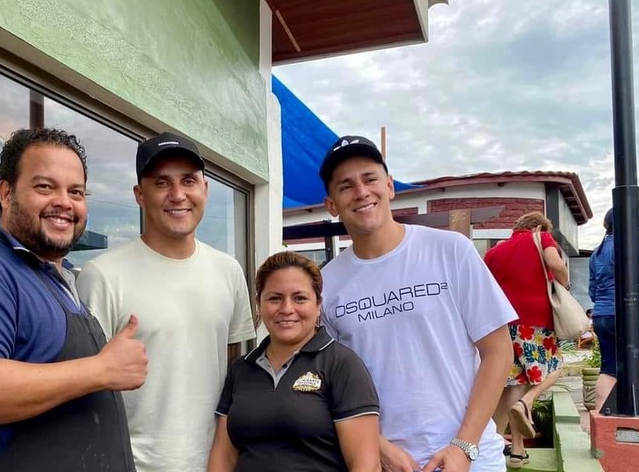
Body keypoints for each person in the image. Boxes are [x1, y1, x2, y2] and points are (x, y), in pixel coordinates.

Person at [0, 128, 148, 472]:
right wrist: (102, 369)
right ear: (6, 193)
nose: (64, 202)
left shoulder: (62, 281)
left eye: (76, 192)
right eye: (45, 187)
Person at [318, 135, 517, 472]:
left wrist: (463, 446)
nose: (362, 192)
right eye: (346, 186)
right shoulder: (327, 283)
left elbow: (498, 351)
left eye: (370, 179)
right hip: (383, 464)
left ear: (390, 186)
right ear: (332, 205)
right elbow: (331, 384)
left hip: (470, 459)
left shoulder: (451, 251)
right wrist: (377, 448)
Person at [76, 131, 256, 472]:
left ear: (204, 189)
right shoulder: (102, 275)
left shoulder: (228, 271)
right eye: (161, 183)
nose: (178, 195)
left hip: (215, 462)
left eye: (188, 180)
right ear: (139, 195)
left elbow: (234, 371)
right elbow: (85, 385)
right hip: (131, 465)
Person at [208, 251, 381, 472]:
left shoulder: (341, 365)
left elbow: (366, 466)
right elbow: (223, 458)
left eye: (299, 298)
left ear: (318, 304)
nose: (287, 309)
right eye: (274, 298)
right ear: (258, 304)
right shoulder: (241, 369)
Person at [483, 212, 569, 468]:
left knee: (515, 383)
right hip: (535, 322)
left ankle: (516, 451)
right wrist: (564, 283)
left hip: (502, 324)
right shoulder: (541, 238)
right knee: (557, 366)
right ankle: (527, 402)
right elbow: (556, 264)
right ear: (539, 228)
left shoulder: (495, 252)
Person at [589, 208, 639, 412]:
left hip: (601, 315)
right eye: (636, 222)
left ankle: (600, 416)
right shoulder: (629, 247)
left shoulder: (597, 253)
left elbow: (593, 290)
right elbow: (637, 284)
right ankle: (632, 407)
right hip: (627, 315)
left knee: (609, 368)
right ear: (626, 223)